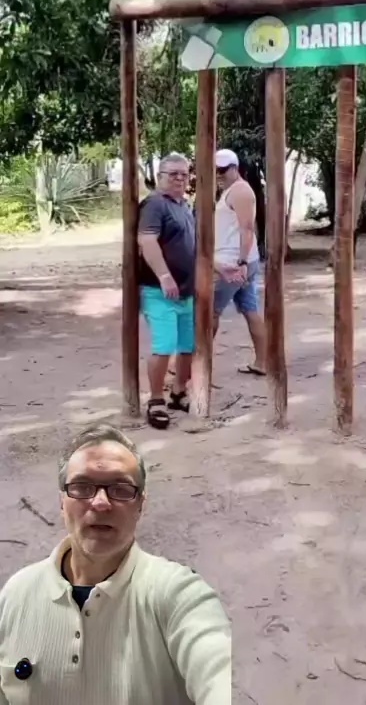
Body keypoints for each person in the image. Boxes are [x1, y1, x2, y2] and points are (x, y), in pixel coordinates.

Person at [0, 423, 231, 705]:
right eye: (82, 487)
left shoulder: (179, 595)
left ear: (140, 505)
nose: (100, 503)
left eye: (120, 489)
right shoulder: (16, 596)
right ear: (62, 502)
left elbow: (217, 667)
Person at [138, 153, 195, 429]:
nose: (179, 179)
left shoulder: (184, 205)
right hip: (159, 291)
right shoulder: (155, 204)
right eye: (173, 174)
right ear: (160, 176)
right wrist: (164, 276)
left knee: (188, 346)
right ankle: (156, 399)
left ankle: (179, 392)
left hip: (186, 292)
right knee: (164, 347)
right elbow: (147, 241)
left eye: (184, 174)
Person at [214, 148, 266, 376]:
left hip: (233, 262)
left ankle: (195, 365)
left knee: (209, 312)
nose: (218, 174)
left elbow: (247, 229)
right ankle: (262, 362)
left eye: (222, 170)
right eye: (215, 170)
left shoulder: (241, 191)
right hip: (237, 260)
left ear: (234, 168)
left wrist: (242, 262)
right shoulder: (230, 190)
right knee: (249, 309)